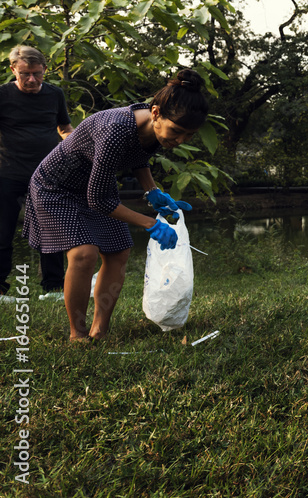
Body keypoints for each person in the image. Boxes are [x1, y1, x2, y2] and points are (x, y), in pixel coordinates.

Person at [23, 70, 208, 341]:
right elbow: (99, 201)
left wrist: (153, 192)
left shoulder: (152, 125)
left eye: (189, 135)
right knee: (84, 254)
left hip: (96, 181)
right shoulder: (116, 129)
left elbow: (138, 156)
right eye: (177, 131)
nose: (180, 140)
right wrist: (150, 223)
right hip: (56, 186)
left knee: (118, 252)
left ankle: (100, 330)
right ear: (156, 112)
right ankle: (78, 334)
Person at [0, 46, 74, 304]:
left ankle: (53, 288)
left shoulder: (55, 94)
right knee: (2, 231)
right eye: (25, 74)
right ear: (13, 70)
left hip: (47, 173)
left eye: (37, 74)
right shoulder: (2, 95)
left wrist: (78, 147)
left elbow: (64, 128)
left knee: (51, 231)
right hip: (7, 172)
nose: (31, 80)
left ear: (44, 70)